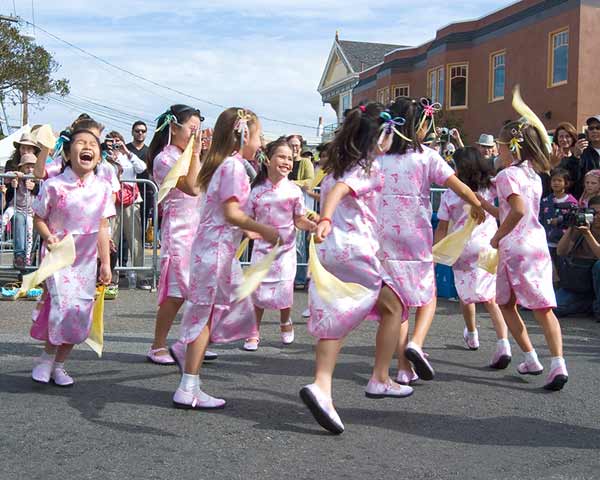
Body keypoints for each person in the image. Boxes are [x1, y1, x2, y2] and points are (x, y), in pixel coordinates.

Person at [301, 102, 413, 436]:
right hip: (355, 252)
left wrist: (323, 222)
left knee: (336, 316)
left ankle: (323, 386)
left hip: (330, 251)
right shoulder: (367, 168)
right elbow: (339, 192)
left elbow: (334, 188)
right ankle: (380, 378)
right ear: (382, 137)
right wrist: (323, 218)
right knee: (395, 306)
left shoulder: (337, 166)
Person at [173, 107, 278, 409]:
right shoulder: (232, 167)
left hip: (213, 249)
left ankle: (189, 372)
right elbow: (232, 213)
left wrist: (250, 231)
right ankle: (187, 383)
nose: (261, 142)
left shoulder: (222, 164)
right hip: (215, 252)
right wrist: (263, 230)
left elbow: (225, 213)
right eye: (258, 135)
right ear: (243, 135)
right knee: (206, 314)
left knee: (211, 313)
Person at [377, 97, 485, 384]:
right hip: (415, 234)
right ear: (419, 126)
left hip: (384, 236)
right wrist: (476, 203)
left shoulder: (378, 156)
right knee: (427, 296)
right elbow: (456, 184)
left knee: (398, 305)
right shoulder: (426, 156)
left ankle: (402, 368)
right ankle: (417, 343)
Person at [30, 128, 114, 386]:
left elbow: (102, 226)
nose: (87, 147)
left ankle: (60, 365)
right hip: (59, 257)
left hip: (86, 261)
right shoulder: (53, 185)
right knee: (61, 309)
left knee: (79, 313)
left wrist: (106, 263)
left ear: (98, 156)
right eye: (80, 143)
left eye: (93, 144)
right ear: (68, 152)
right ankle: (45, 360)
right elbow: (38, 217)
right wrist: (47, 236)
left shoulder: (103, 188)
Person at [490, 119, 568, 391]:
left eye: (500, 146)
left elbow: (518, 210)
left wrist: (498, 236)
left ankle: (531, 357)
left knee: (505, 303)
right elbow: (514, 210)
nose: (498, 151)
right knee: (544, 308)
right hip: (537, 243)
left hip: (515, 246)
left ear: (510, 147)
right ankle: (558, 363)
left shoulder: (507, 175)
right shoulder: (533, 174)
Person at [145, 105, 217, 365]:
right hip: (178, 230)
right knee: (176, 293)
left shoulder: (190, 154)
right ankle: (158, 345)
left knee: (201, 289)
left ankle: (193, 341)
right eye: (192, 129)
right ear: (174, 128)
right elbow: (192, 187)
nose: (195, 135)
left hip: (198, 228)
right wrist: (197, 153)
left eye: (198, 130)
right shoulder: (165, 159)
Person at [435, 147, 510, 368]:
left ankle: (472, 332)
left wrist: (436, 249)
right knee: (491, 298)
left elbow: (442, 226)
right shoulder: (490, 187)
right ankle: (503, 342)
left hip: (462, 248)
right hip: (488, 245)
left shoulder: (450, 193)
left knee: (466, 295)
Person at [243, 138, 317, 351]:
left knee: (285, 289)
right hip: (262, 250)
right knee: (258, 291)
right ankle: (253, 331)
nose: (287, 162)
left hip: (285, 251)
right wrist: (250, 233)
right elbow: (247, 219)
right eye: (281, 157)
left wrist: (311, 225)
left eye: (290, 158)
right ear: (267, 160)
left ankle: (285, 321)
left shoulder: (294, 190)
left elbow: (298, 219)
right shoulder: (255, 190)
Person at [105, 130, 150, 290]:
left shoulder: (128, 156)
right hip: (112, 201)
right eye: (111, 141)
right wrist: (107, 156)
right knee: (111, 239)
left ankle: (140, 276)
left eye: (118, 141)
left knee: (135, 238)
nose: (115, 143)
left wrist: (127, 152)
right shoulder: (103, 157)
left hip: (131, 201)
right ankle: (110, 276)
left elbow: (142, 168)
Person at [555, 195, 600, 320]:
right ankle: (589, 304)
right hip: (579, 282)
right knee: (556, 308)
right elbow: (561, 251)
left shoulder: (586, 232)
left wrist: (588, 234)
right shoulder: (580, 228)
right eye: (593, 213)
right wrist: (571, 227)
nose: (596, 217)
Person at [287, 134, 314, 289]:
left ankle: (300, 277)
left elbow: (309, 182)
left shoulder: (305, 162)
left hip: (300, 206)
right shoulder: (285, 161)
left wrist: (290, 183)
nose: (294, 148)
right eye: (291, 144)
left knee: (299, 243)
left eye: (297, 145)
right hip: (285, 207)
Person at [539, 168, 578, 265]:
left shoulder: (572, 203)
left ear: (566, 183)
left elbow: (574, 223)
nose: (556, 183)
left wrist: (561, 221)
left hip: (564, 244)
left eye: (559, 180)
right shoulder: (545, 201)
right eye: (553, 180)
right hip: (547, 243)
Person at [10, 153, 40, 268]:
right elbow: (7, 178)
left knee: (33, 232)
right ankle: (19, 255)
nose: (30, 169)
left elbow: (44, 191)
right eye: (27, 167)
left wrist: (34, 188)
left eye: (32, 166)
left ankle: (29, 260)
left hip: (34, 212)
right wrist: (15, 182)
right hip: (19, 210)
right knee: (19, 219)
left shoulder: (39, 178)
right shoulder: (16, 176)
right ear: (21, 167)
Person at [127, 121, 154, 238]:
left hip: (145, 193)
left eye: (143, 131)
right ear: (132, 132)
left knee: (141, 227)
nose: (140, 133)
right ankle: (123, 257)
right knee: (125, 228)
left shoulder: (150, 151)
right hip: (127, 192)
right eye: (137, 131)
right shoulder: (126, 149)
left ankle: (139, 255)